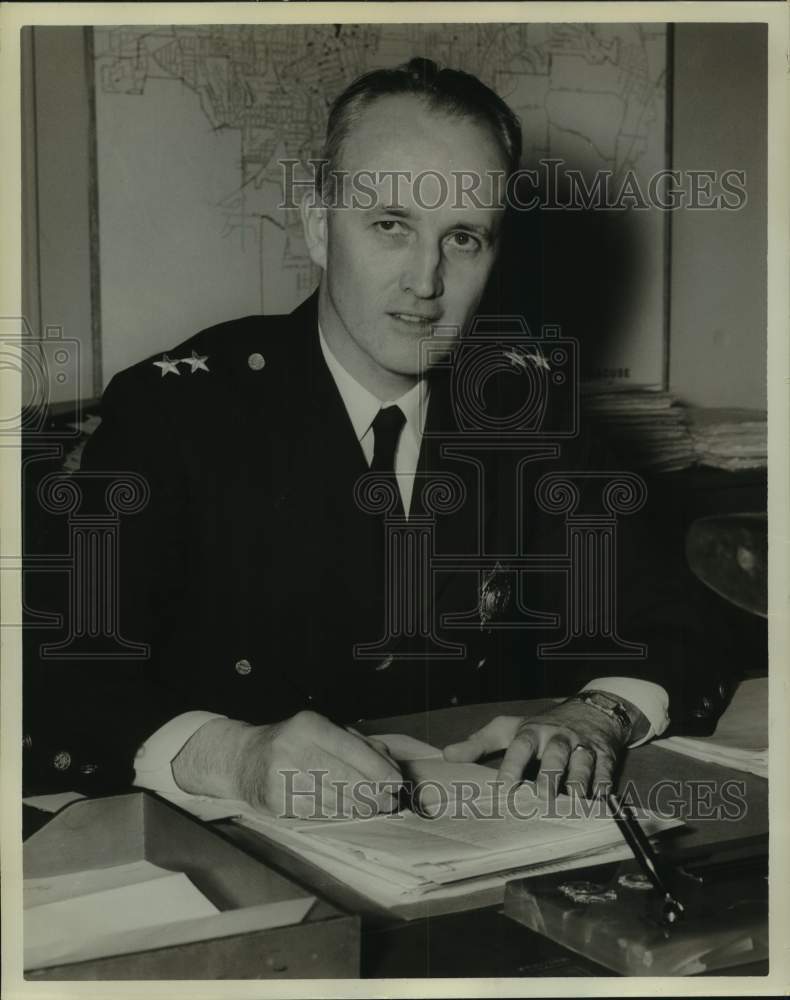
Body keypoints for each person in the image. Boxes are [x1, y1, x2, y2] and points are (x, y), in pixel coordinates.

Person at [23, 59, 735, 818]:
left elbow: (672, 622)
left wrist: (599, 712)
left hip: (468, 852)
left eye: (463, 238)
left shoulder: (526, 416)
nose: (425, 281)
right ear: (317, 226)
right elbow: (58, 668)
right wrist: (230, 754)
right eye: (390, 225)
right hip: (232, 848)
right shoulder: (179, 413)